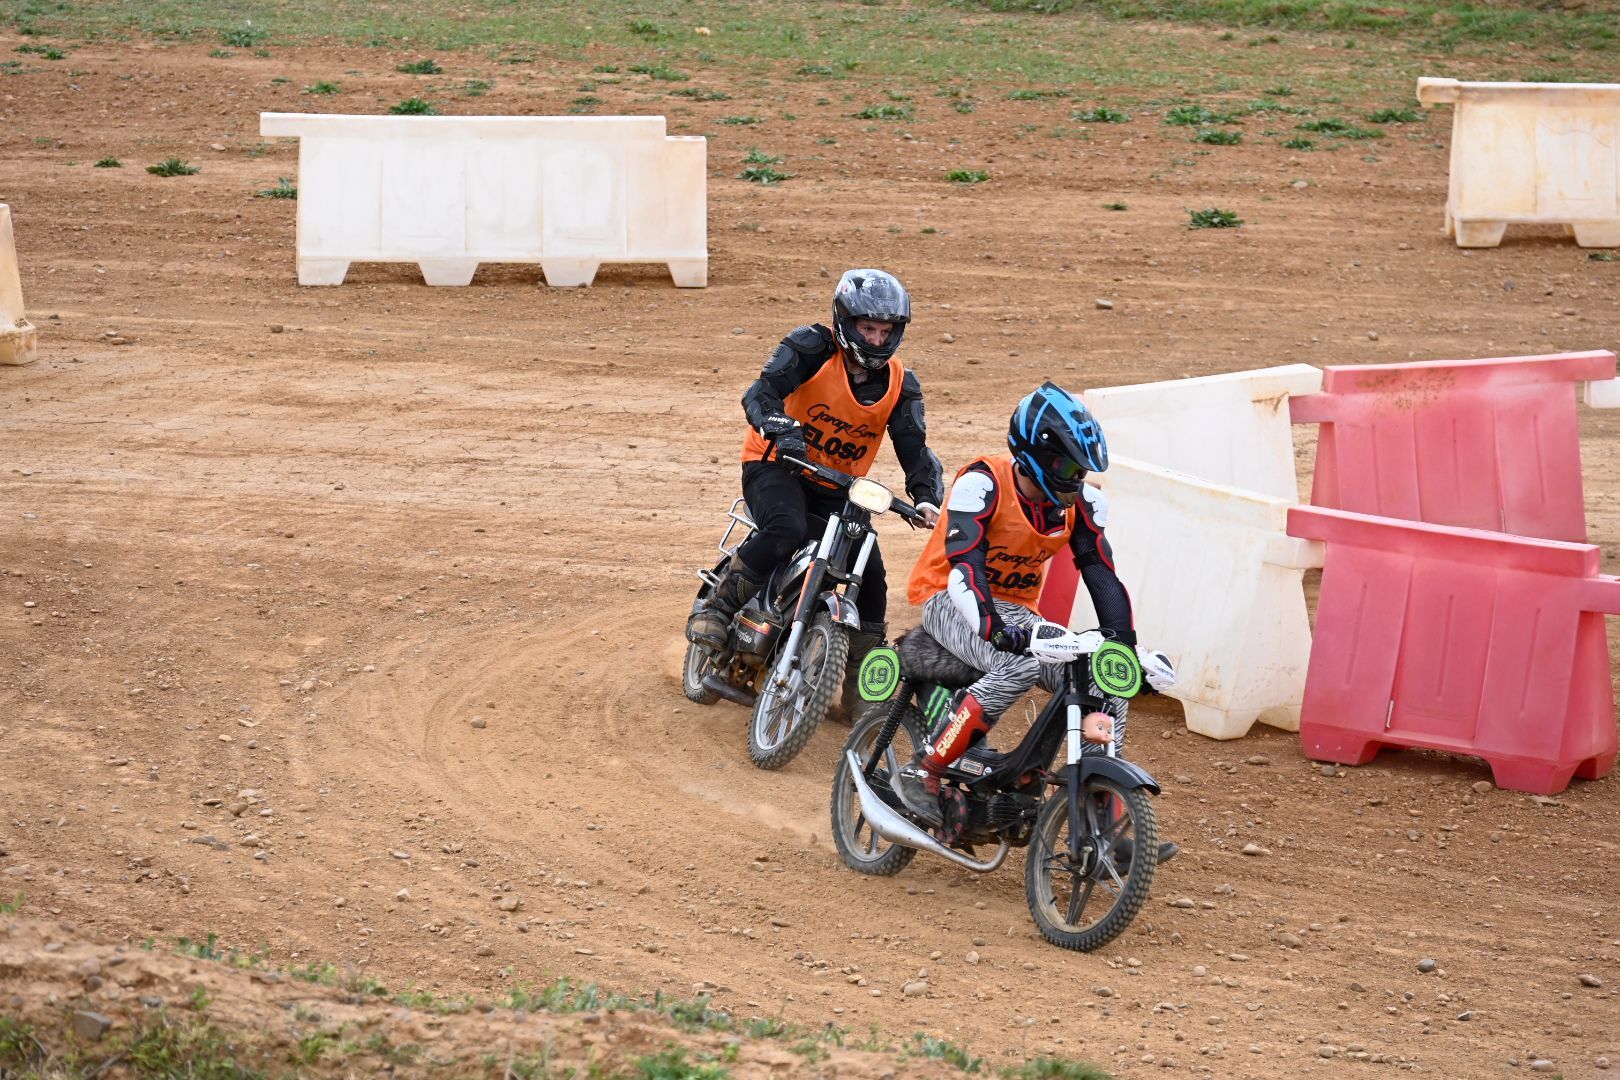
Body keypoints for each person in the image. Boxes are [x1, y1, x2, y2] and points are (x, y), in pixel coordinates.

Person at [904, 381, 1177, 848]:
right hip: (949, 596)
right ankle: (927, 768)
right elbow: (964, 569)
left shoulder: (1082, 505)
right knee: (1021, 663)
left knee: (1103, 678)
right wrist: (995, 629)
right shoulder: (983, 483)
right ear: (1035, 452)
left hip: (1019, 614)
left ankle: (1101, 825)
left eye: (1081, 468)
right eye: (1066, 466)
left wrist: (1124, 646)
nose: (1075, 479)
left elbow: (1101, 575)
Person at [686, 269, 944, 692]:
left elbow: (916, 450)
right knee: (786, 528)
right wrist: (782, 429)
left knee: (871, 575)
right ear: (845, 321)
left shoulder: (902, 385)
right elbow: (760, 393)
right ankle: (718, 607)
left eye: (885, 331)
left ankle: (861, 684)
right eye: (868, 328)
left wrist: (927, 498)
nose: (877, 341)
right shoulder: (811, 347)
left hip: (839, 489)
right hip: (774, 465)